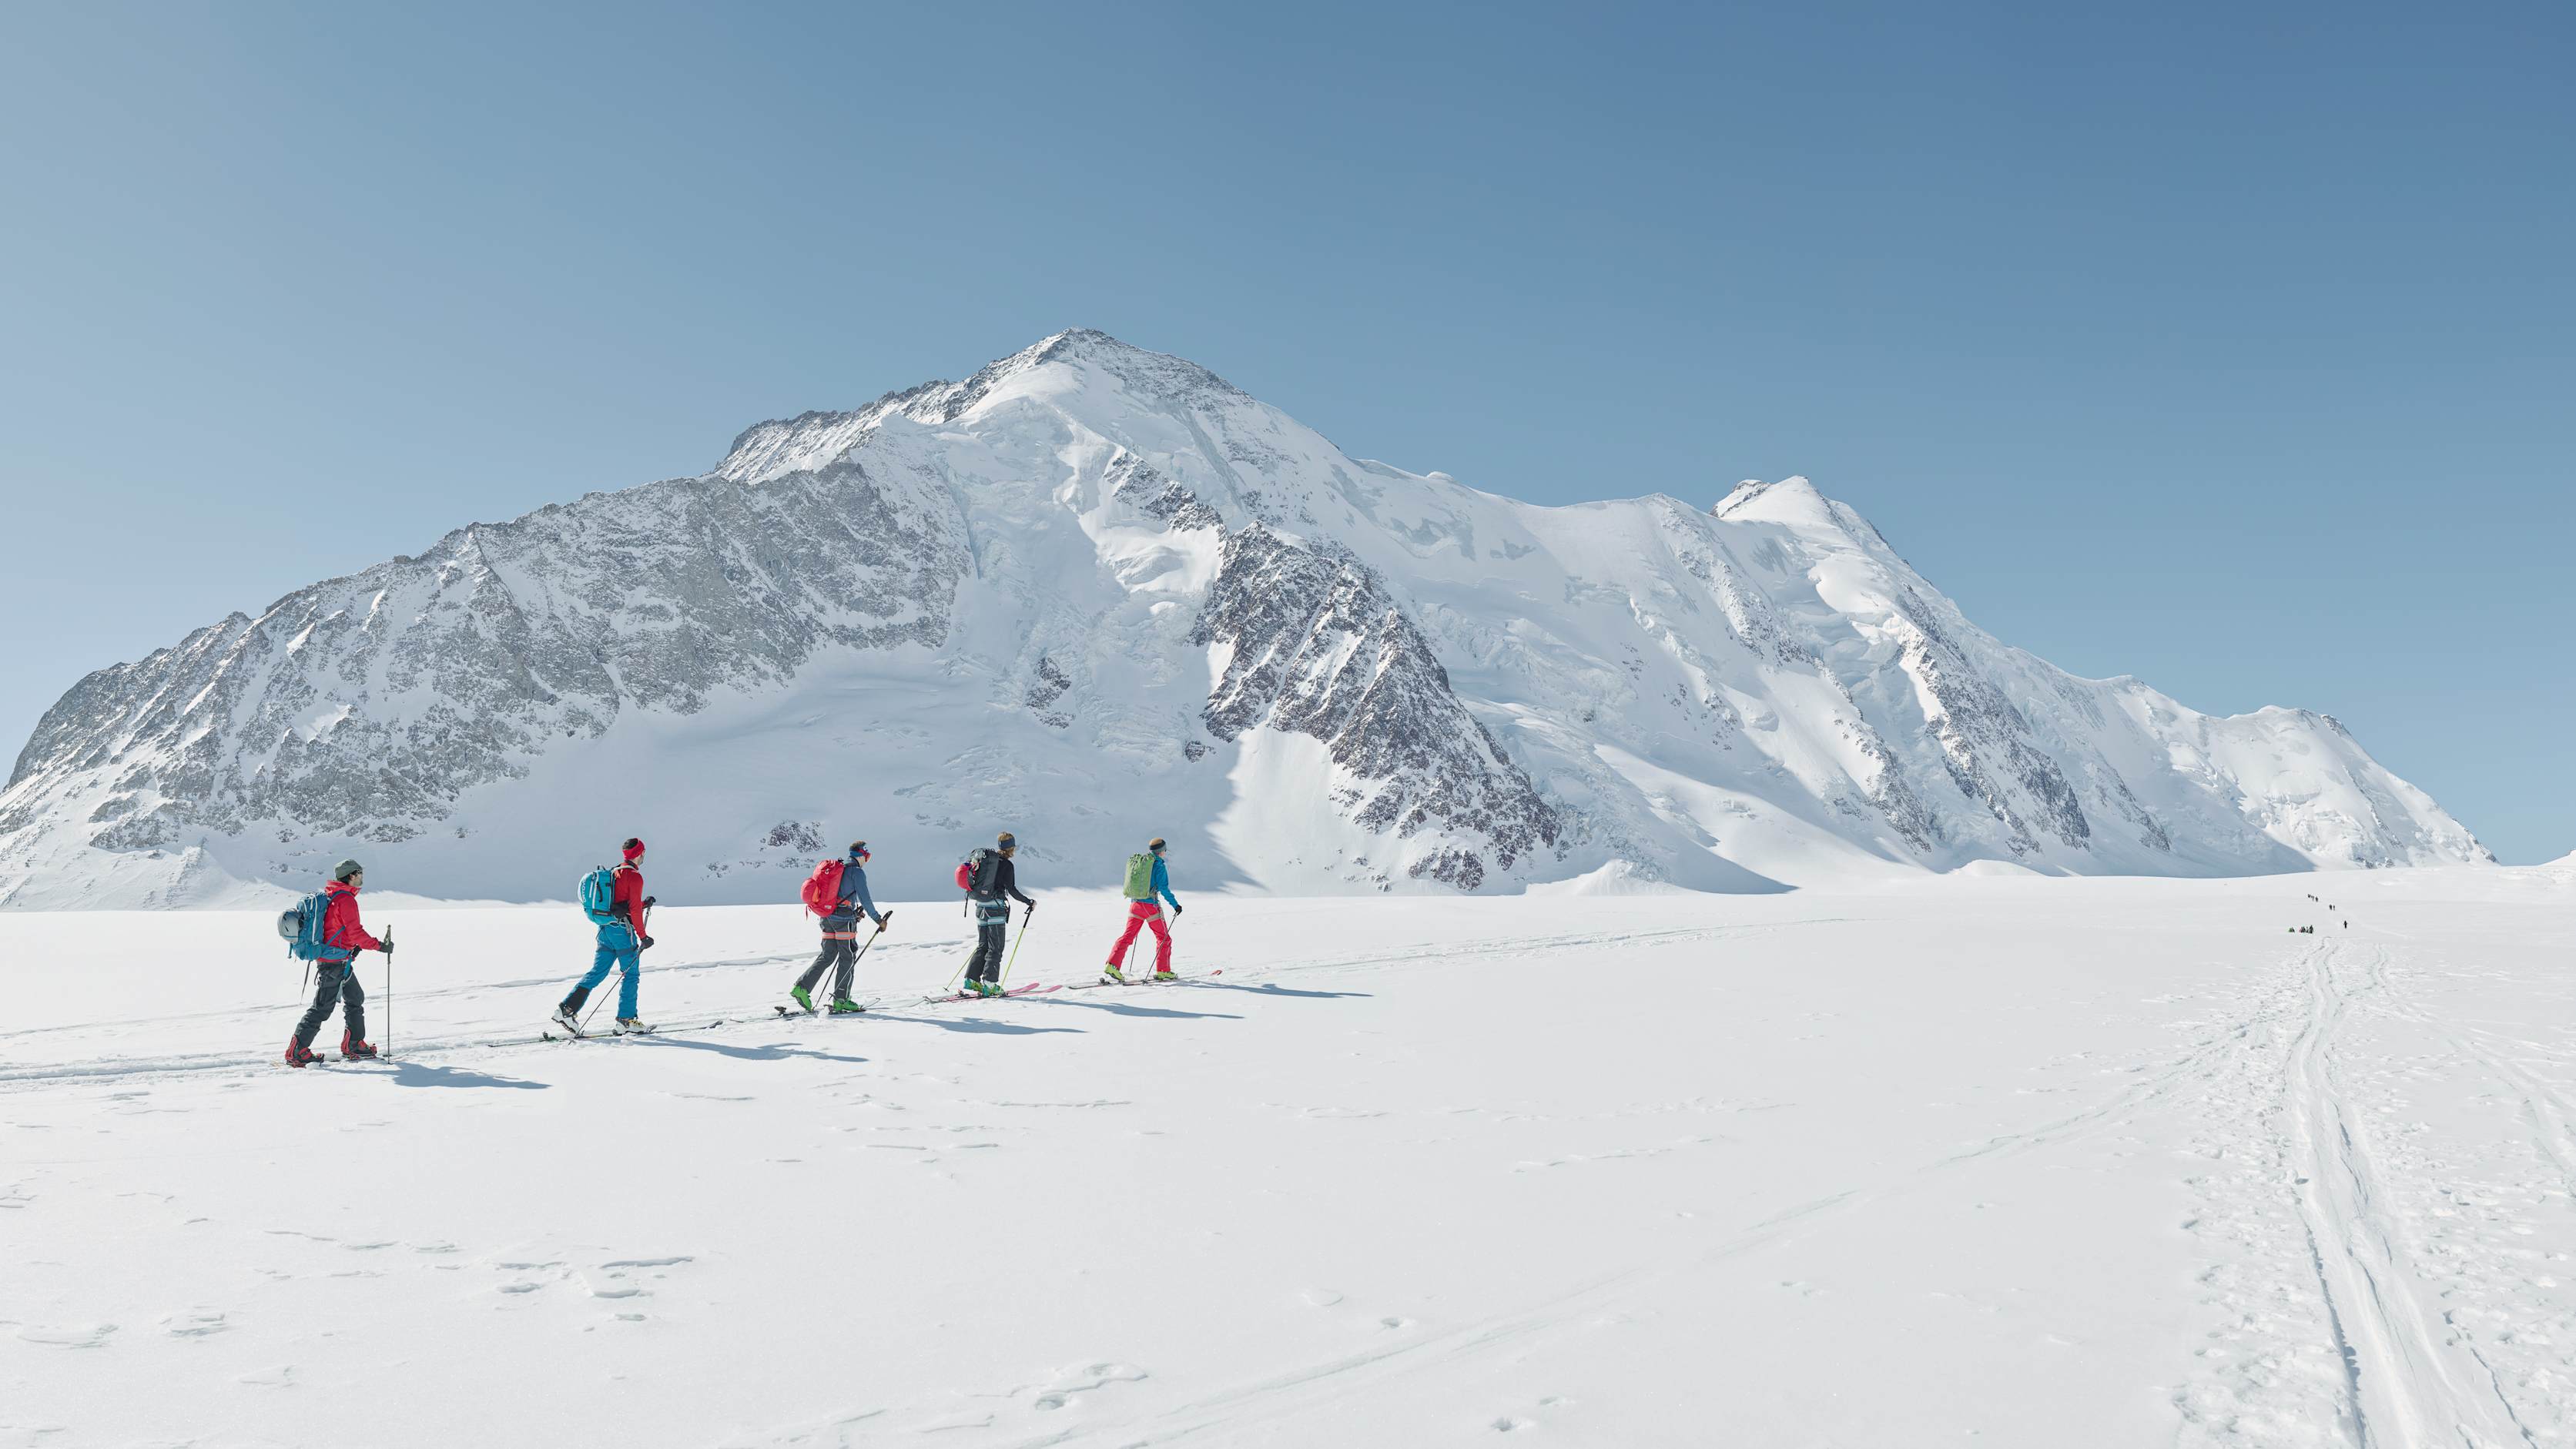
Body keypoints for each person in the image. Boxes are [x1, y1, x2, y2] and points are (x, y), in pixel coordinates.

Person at [284, 858, 391, 1066]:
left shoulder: (334, 896)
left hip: (339, 959)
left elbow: (337, 929)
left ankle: (354, 1044)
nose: (362, 877)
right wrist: (379, 946)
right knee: (322, 1008)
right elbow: (355, 931)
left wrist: (352, 946)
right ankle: (297, 1051)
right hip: (333, 963)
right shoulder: (346, 900)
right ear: (351, 875)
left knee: (355, 998)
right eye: (359, 873)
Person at [554, 837, 656, 1034]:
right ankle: (626, 1020)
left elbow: (619, 904)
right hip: (622, 933)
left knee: (597, 973)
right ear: (639, 854)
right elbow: (633, 911)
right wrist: (643, 936)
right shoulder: (635, 877)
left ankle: (566, 1010)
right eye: (643, 853)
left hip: (605, 930)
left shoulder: (614, 872)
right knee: (631, 974)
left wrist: (644, 904)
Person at [792, 841, 887, 1014]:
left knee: (828, 955)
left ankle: (801, 988)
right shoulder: (856, 873)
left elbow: (838, 897)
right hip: (843, 920)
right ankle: (841, 1000)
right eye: (867, 856)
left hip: (827, 918)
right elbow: (866, 899)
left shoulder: (839, 869)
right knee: (847, 957)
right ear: (861, 855)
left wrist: (853, 913)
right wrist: (878, 920)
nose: (867, 860)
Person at [961, 831, 1034, 998]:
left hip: (980, 907)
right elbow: (1012, 890)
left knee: (983, 945)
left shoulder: (987, 861)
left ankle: (971, 980)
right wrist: (1028, 902)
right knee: (996, 947)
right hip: (995, 909)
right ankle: (990, 984)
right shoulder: (1007, 865)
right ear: (1012, 848)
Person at [1104, 836, 1183, 983]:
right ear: (1161, 852)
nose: (1165, 853)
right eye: (1165, 850)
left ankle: (1112, 965)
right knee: (1164, 938)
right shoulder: (1159, 866)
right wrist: (1175, 905)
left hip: (1135, 905)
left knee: (1128, 936)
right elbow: (1164, 889)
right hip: (1150, 907)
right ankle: (1163, 971)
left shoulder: (1142, 863)